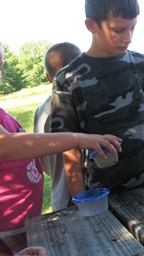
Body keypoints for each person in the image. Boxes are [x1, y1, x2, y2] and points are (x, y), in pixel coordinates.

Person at [50, 0, 144, 199]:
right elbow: (69, 150)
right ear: (91, 25)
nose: (128, 37)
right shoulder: (67, 80)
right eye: (119, 30)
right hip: (104, 197)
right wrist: (82, 201)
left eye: (132, 28)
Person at [0, 42, 121, 256]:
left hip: (26, 220)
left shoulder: (10, 113)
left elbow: (37, 158)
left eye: (0, 68)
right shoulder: (52, 109)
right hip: (11, 227)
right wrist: (78, 139)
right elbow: (7, 145)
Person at [33, 42, 81, 211]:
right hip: (86, 198)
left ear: (48, 78)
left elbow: (41, 161)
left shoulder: (40, 111)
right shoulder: (82, 104)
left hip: (60, 200)